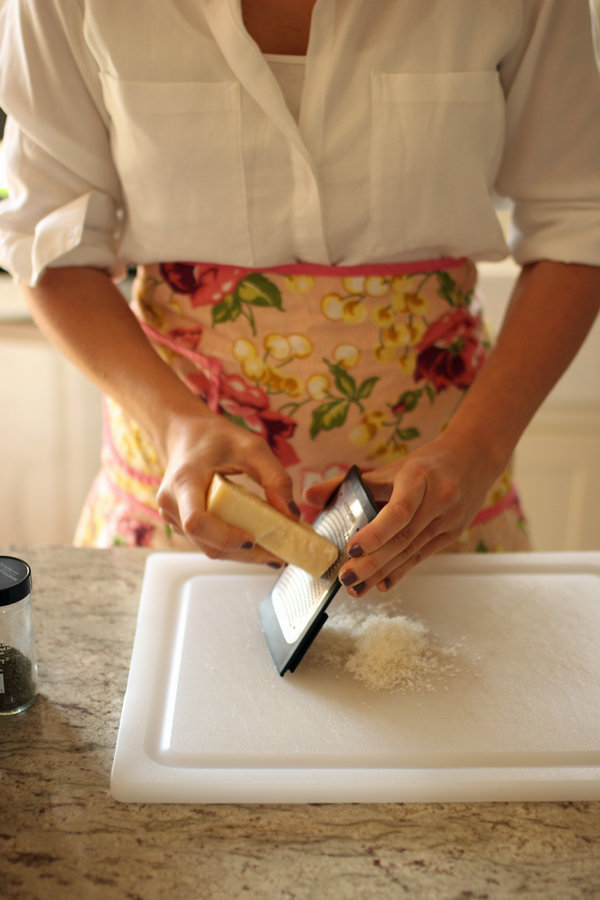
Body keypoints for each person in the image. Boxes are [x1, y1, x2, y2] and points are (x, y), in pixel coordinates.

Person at [1, 0, 599, 600]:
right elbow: (47, 243)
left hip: (435, 518)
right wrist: (176, 423)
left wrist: (476, 450)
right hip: (184, 508)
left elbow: (578, 222)